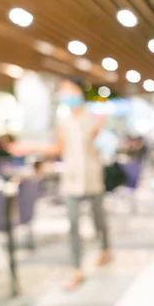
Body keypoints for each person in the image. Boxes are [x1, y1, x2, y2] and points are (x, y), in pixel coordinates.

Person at [11, 77, 111, 290]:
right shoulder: (63, 122)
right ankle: (77, 269)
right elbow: (58, 149)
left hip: (92, 176)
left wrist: (100, 128)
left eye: (68, 90)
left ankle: (105, 249)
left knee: (98, 219)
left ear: (79, 91)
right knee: (73, 224)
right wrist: (31, 147)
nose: (66, 95)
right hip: (72, 178)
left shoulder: (93, 119)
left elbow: (95, 144)